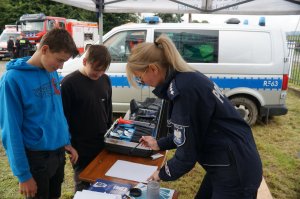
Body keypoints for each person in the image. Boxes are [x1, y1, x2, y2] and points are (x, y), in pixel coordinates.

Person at [126, 34, 263, 199]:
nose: (143, 83)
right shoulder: (184, 79)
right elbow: (187, 133)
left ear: (153, 69)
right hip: (227, 162)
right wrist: (159, 143)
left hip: (236, 168)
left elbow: (186, 155)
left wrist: (160, 174)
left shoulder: (184, 90)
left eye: (140, 79)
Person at [0, 28, 79, 199]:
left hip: (57, 155)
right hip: (36, 161)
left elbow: (57, 112)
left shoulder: (51, 73)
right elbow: (10, 130)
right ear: (44, 50)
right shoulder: (12, 80)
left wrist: (66, 141)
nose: (61, 66)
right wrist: (23, 175)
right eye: (59, 60)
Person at [61, 45, 113, 192]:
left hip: (103, 141)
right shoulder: (69, 83)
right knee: (84, 184)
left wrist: (111, 131)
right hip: (80, 146)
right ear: (84, 61)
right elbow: (63, 118)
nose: (99, 73)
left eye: (103, 69)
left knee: (105, 181)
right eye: (96, 69)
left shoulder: (105, 80)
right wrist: (68, 144)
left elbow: (108, 109)